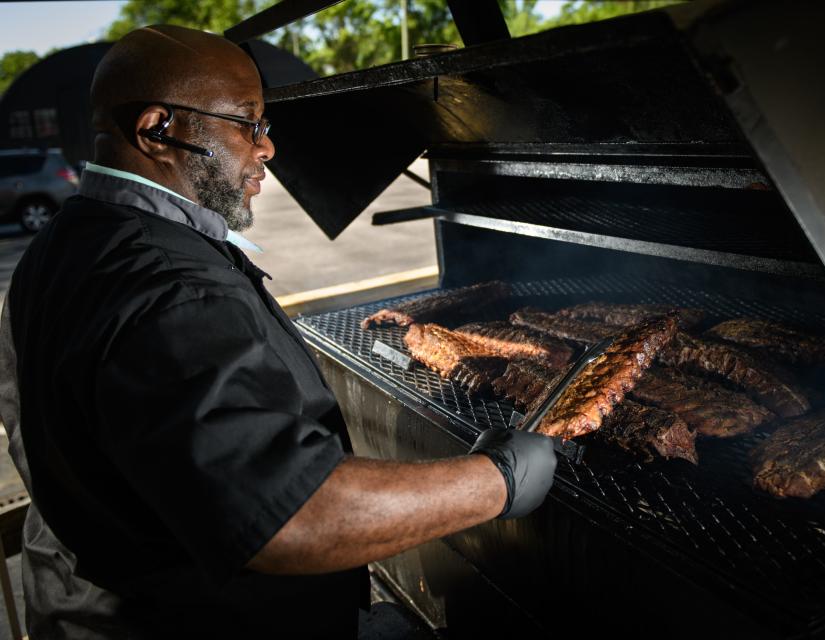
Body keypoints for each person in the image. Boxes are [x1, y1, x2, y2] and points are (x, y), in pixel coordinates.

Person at [0, 25, 556, 638]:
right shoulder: (168, 287)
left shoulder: (61, 246)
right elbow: (291, 513)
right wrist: (497, 479)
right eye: (247, 122)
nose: (266, 149)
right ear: (159, 129)